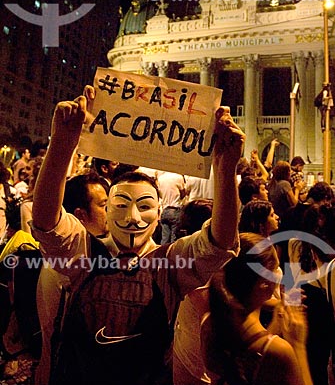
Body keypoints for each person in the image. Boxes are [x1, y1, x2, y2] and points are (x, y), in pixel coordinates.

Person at [31, 92, 246, 385]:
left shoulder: (171, 264)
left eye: (144, 207)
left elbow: (219, 242)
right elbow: (46, 221)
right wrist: (61, 145)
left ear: (160, 214)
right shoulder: (83, 253)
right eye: (121, 205)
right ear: (106, 211)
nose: (133, 217)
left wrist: (225, 167)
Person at [174, 233, 313, 385]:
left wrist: (276, 321)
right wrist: (298, 345)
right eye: (276, 270)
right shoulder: (278, 352)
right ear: (265, 283)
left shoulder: (210, 323)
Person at [35, 170, 110, 385]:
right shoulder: (74, 260)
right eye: (104, 205)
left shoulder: (94, 251)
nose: (112, 212)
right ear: (80, 215)